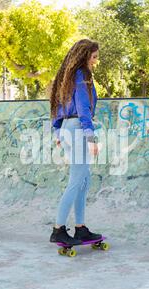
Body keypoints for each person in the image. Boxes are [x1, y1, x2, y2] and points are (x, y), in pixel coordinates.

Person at [49, 39, 102, 245]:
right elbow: (83, 108)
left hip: (67, 129)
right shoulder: (82, 75)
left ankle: (80, 228)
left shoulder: (67, 77)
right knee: (75, 181)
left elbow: (56, 106)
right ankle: (58, 229)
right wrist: (91, 137)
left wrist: (57, 131)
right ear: (84, 56)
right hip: (79, 129)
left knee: (82, 180)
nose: (96, 61)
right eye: (94, 57)